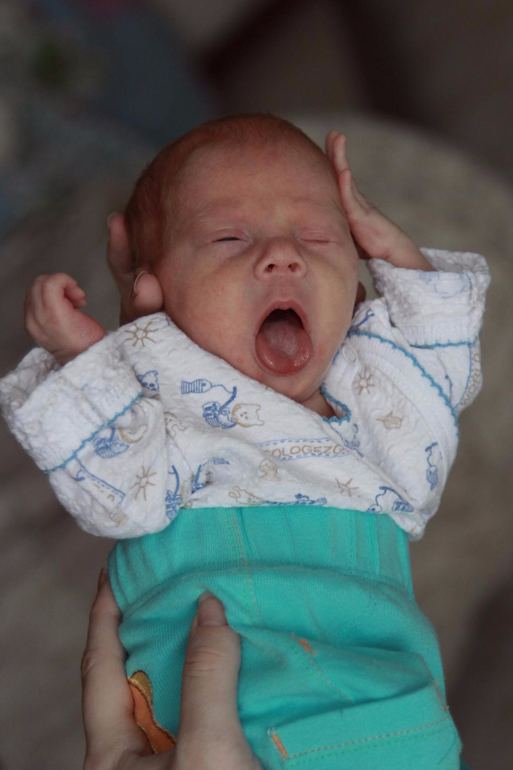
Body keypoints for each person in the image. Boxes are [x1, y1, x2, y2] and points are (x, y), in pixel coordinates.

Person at [0, 114, 489, 768]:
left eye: (318, 235)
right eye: (229, 238)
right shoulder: (167, 413)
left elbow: (438, 361)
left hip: (389, 720)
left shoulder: (376, 407)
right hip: (247, 726)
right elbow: (116, 495)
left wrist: (396, 253)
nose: (284, 255)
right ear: (157, 295)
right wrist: (85, 362)